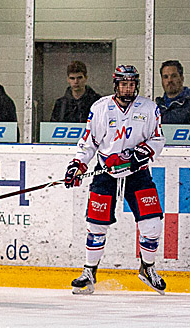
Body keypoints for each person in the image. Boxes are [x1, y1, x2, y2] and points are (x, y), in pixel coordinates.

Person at [63, 65, 167, 295]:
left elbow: (158, 139)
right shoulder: (100, 108)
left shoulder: (149, 108)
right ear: (116, 85)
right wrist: (77, 164)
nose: (128, 88)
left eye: (131, 84)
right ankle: (89, 272)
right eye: (123, 84)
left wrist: (140, 154)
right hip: (106, 171)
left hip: (137, 173)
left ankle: (147, 268)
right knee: (96, 225)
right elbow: (89, 142)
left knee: (152, 224)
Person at [155, 60, 190, 125]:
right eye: (165, 77)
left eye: (174, 76)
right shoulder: (156, 107)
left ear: (182, 78)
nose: (169, 80)